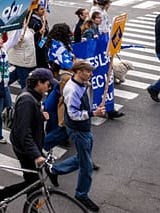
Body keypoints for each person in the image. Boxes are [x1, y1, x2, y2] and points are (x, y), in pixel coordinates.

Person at [49, 59, 107, 211]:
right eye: (88, 71)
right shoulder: (72, 89)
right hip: (78, 129)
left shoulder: (82, 84)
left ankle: (55, 170)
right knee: (86, 166)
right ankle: (81, 194)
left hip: (83, 128)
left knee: (82, 157)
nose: (91, 74)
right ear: (79, 72)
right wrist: (93, 113)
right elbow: (74, 114)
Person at [0, 68, 58, 203]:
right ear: (39, 83)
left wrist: (40, 117)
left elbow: (28, 120)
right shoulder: (27, 101)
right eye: (48, 83)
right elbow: (24, 132)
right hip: (25, 149)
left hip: (30, 146)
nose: (49, 87)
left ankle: (27, 206)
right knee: (33, 183)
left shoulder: (32, 95)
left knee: (33, 182)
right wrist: (36, 155)